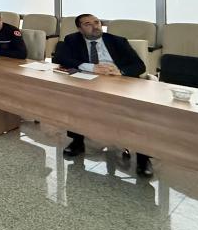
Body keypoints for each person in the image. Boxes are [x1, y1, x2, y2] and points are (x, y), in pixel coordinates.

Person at [52, 13, 152, 176]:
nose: (95, 26)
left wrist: (120, 71)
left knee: (136, 111)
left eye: (97, 22)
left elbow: (139, 66)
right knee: (74, 99)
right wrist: (90, 67)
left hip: (117, 82)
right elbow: (60, 58)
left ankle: (143, 157)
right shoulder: (72, 39)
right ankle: (77, 141)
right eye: (88, 24)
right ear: (79, 29)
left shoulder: (117, 41)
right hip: (89, 81)